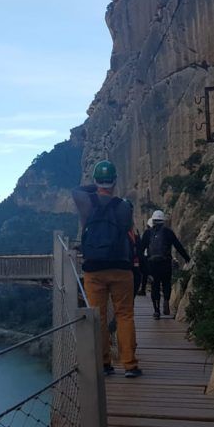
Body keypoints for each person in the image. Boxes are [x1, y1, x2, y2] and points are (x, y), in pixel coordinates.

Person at [72, 160, 142, 378]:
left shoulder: (86, 203)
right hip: (121, 267)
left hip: (94, 269)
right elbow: (129, 233)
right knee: (125, 315)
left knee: (98, 317)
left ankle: (104, 363)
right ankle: (129, 365)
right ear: (115, 181)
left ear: (96, 180)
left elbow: (76, 190)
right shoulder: (125, 207)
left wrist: (95, 188)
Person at [140, 210, 190, 319]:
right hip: (165, 263)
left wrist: (143, 265)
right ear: (163, 221)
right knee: (166, 283)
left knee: (155, 286)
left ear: (152, 220)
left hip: (152, 264)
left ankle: (157, 311)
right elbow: (178, 246)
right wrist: (187, 258)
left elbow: (141, 250)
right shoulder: (168, 232)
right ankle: (166, 300)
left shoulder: (147, 233)